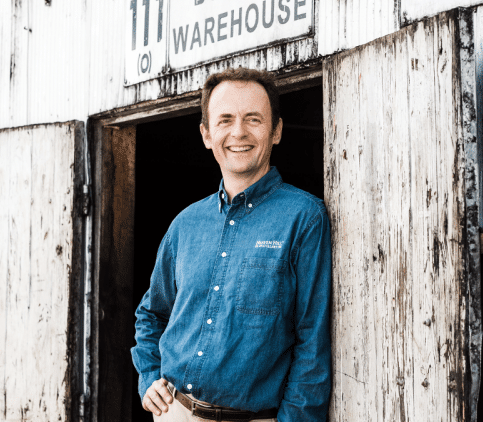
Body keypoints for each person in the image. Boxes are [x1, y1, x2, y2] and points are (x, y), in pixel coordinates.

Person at [131, 67, 332, 422]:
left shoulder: (304, 218)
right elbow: (151, 314)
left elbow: (312, 341)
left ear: (277, 131)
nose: (238, 132)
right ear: (206, 134)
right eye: (225, 120)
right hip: (174, 414)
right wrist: (148, 376)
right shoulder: (185, 224)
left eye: (253, 119)